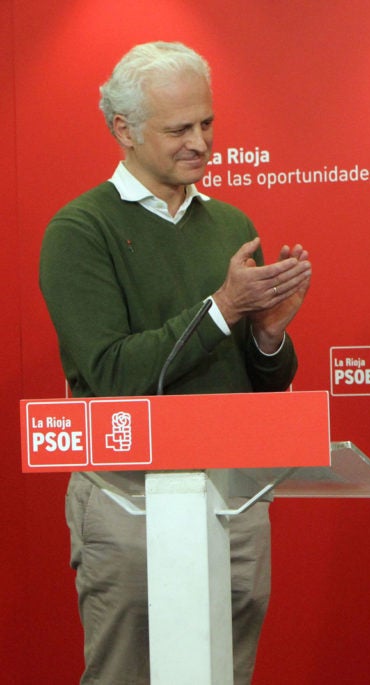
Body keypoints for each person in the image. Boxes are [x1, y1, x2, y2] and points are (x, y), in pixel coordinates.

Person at [38, 41, 312, 684]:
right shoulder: (79, 231)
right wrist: (220, 309)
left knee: (227, 671)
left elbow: (259, 384)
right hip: (129, 498)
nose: (200, 142)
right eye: (179, 128)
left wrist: (268, 336)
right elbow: (110, 372)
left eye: (207, 123)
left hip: (234, 497)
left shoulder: (230, 223)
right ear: (123, 130)